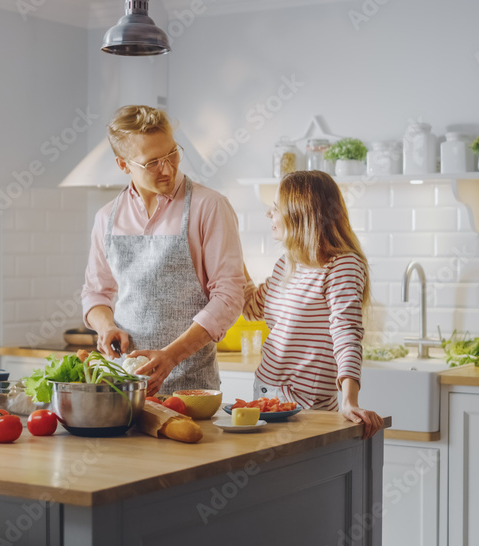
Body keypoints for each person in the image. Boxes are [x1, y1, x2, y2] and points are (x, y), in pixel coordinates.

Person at [81, 105, 245, 396]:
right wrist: (105, 327)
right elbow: (96, 293)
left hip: (192, 391)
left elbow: (230, 296)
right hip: (124, 389)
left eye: (172, 154)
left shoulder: (209, 206)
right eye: (152, 162)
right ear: (123, 165)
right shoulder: (107, 217)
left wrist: (171, 356)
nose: (168, 169)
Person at [243, 170, 384, 439]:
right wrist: (227, 251)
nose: (268, 214)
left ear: (300, 213)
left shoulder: (341, 266)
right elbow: (252, 308)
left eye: (276, 207)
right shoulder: (287, 263)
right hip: (264, 395)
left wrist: (349, 400)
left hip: (306, 406)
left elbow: (346, 332)